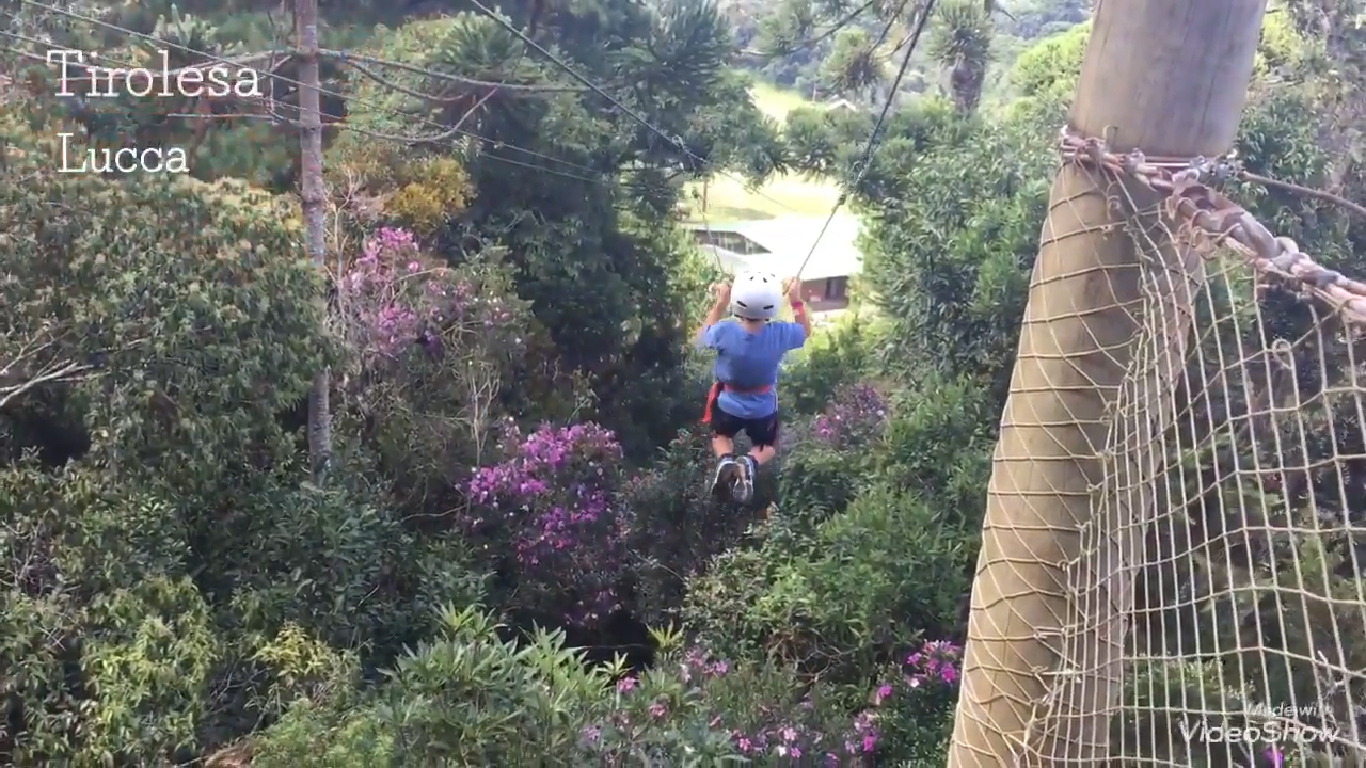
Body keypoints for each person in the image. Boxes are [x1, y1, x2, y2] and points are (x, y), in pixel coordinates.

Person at [695, 270, 811, 502]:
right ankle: (748, 462)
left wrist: (720, 304)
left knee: (720, 435)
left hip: (728, 403)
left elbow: (700, 338)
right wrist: (796, 300)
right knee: (766, 447)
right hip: (763, 407)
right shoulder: (779, 333)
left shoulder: (724, 331)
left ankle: (725, 458)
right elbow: (805, 331)